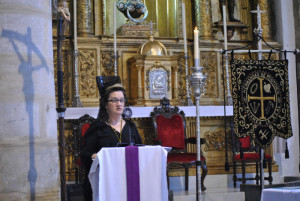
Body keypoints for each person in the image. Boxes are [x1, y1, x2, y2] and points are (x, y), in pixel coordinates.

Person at [80, 79, 143, 201]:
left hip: (128, 178)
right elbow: (84, 155)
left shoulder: (130, 126)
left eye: (121, 100)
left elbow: (141, 150)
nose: (119, 104)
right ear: (105, 105)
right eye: (114, 100)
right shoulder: (97, 128)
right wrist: (98, 156)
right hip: (105, 180)